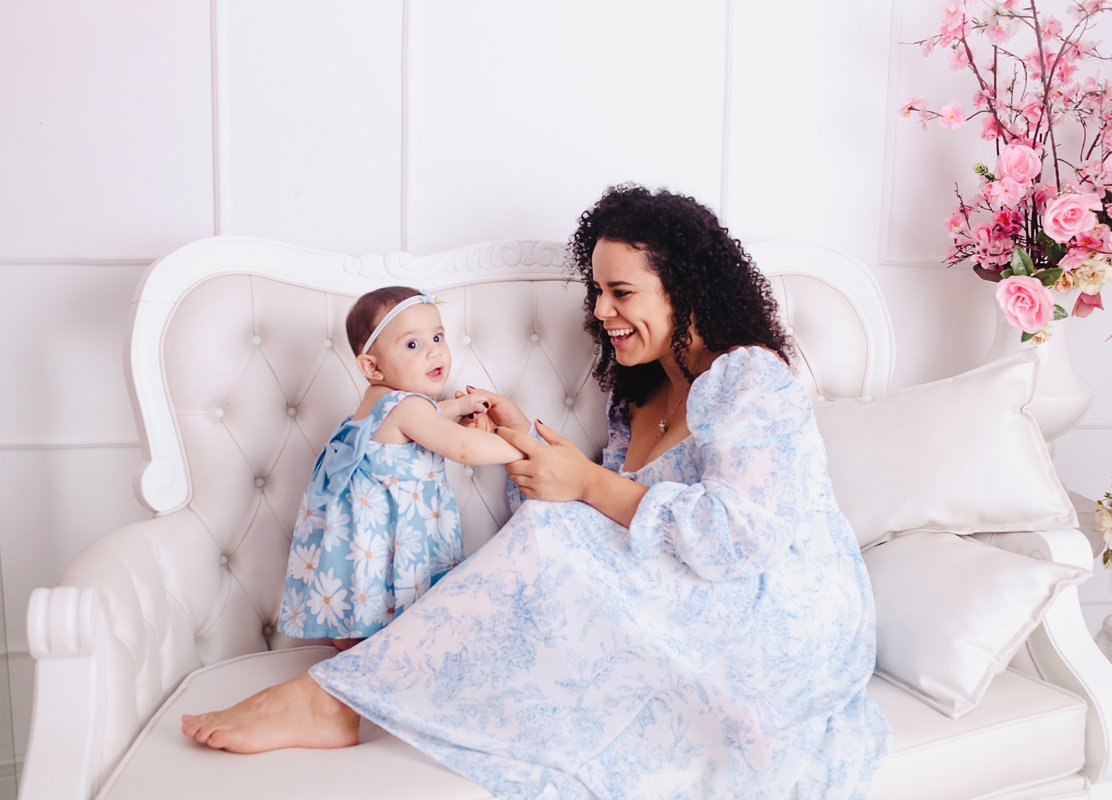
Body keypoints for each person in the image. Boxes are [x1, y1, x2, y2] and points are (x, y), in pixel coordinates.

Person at [182, 185, 890, 799]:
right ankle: (351, 697)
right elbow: (601, 531)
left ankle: (334, 702)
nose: (602, 310)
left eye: (621, 292)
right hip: (690, 599)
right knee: (553, 535)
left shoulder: (748, 377)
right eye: (597, 291)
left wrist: (586, 481)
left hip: (779, 614)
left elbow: (739, 538)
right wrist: (527, 443)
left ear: (688, 290)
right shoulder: (638, 396)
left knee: (558, 534)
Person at [279, 286, 523, 649]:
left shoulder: (379, 401)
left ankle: (350, 646)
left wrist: (457, 408)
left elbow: (422, 417)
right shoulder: (407, 407)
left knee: (368, 607)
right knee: (412, 620)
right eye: (412, 344)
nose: (434, 351)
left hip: (368, 540)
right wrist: (520, 445)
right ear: (372, 366)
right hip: (406, 532)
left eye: (438, 337)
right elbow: (462, 446)